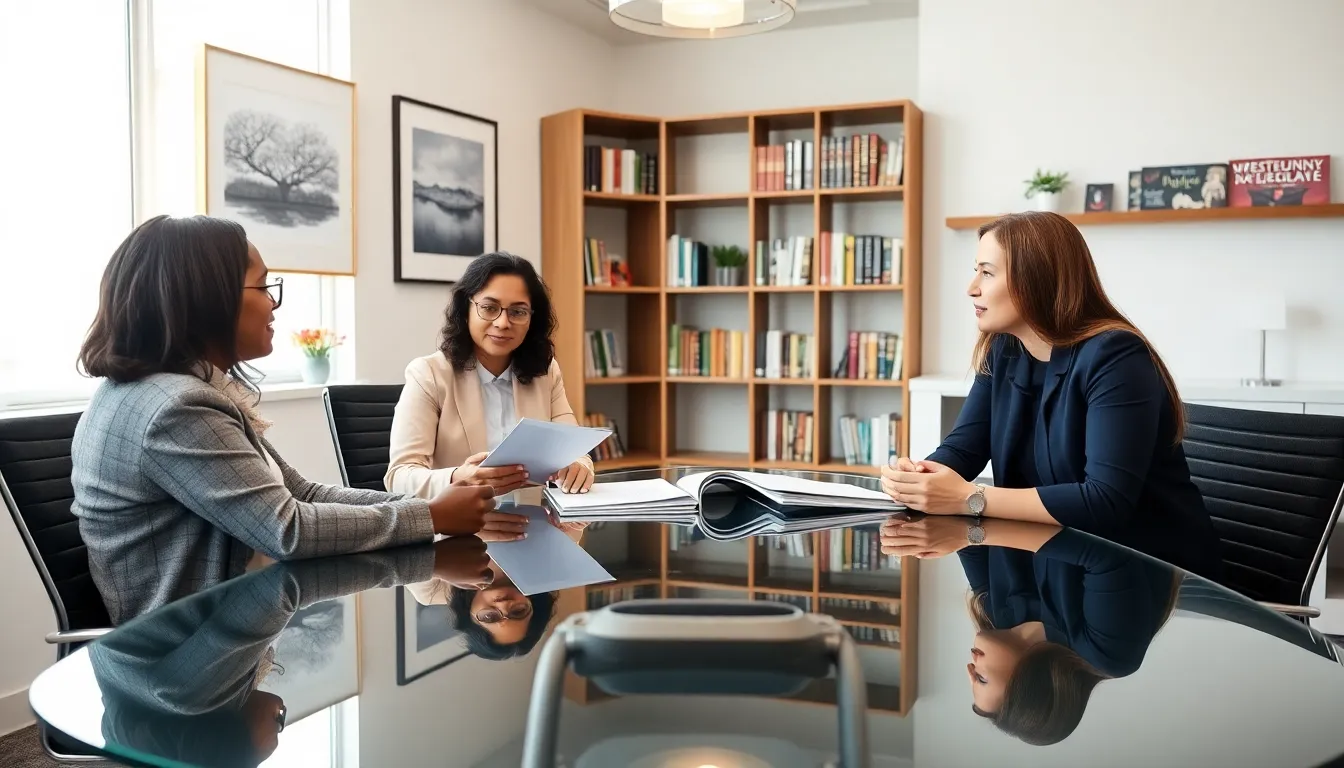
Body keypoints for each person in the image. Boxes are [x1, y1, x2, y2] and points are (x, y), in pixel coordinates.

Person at [72, 215, 496, 625]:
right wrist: (433, 516)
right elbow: (287, 528)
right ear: (208, 299)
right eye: (262, 287)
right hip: (187, 658)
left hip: (241, 620)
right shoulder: (176, 408)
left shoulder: (182, 390)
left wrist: (428, 507)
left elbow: (300, 492)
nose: (273, 302)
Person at [879, 211, 1221, 579]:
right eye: (975, 270)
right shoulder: (1004, 349)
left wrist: (968, 498)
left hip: (1152, 577)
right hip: (1057, 560)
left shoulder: (1116, 356)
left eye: (987, 272)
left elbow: (1105, 500)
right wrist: (921, 478)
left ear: (1035, 281)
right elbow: (963, 449)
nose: (971, 287)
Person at [884, 516, 1178, 745]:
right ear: (1028, 682)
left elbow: (962, 523)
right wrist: (975, 532)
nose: (969, 669)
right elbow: (1106, 554)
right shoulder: (1108, 654)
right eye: (981, 678)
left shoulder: (998, 614)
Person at [385, 252, 595, 531]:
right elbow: (398, 477)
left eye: (518, 311)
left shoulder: (546, 372)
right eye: (489, 307)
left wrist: (580, 467)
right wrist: (459, 478)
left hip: (533, 530)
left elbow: (573, 446)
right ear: (467, 309)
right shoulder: (429, 374)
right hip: (458, 541)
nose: (503, 322)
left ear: (532, 318)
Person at [405, 508, 588, 660]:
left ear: (469, 616)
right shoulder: (554, 563)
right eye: (517, 612)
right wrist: (574, 517)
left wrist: (465, 528)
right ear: (533, 605)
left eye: (490, 617)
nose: (503, 605)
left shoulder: (430, 590)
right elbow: (572, 509)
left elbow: (407, 524)